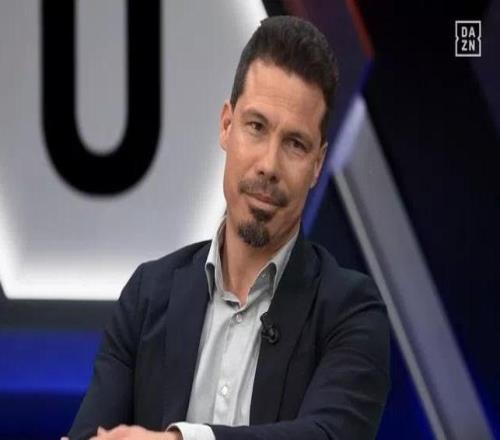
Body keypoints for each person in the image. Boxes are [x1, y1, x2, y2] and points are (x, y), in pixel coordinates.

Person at [68, 15, 390, 440]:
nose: (269, 165)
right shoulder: (147, 297)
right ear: (226, 125)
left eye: (295, 144)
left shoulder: (351, 314)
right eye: (256, 127)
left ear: (317, 164)